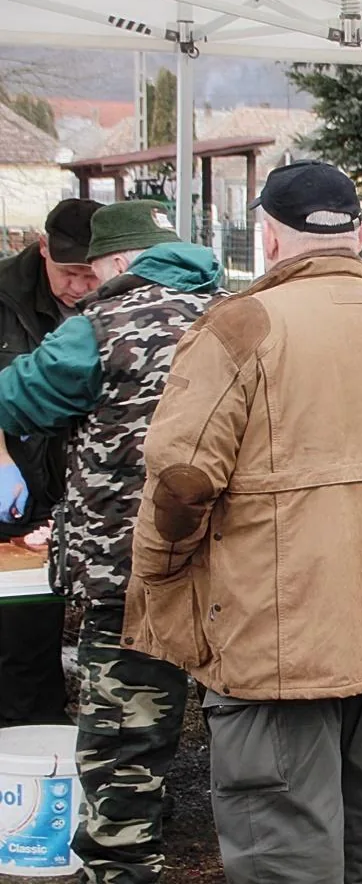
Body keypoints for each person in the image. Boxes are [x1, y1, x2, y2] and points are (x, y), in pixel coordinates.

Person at [125, 160, 362, 884]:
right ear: (360, 234)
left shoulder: (242, 326)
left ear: (270, 239)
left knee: (283, 855)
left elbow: (182, 481)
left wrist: (161, 578)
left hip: (271, 641)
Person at [0, 199, 223, 883]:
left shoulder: (99, 327)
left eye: (95, 270)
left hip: (130, 571)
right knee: (245, 729)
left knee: (125, 744)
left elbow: (14, 397)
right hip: (237, 569)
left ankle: (126, 866)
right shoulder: (238, 319)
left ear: (119, 261)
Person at [0, 198, 100, 729]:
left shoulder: (123, 301)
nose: (81, 287)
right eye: (69, 273)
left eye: (91, 273)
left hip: (89, 480)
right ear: (41, 249)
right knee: (22, 627)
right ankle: (24, 734)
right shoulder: (5, 296)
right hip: (16, 479)